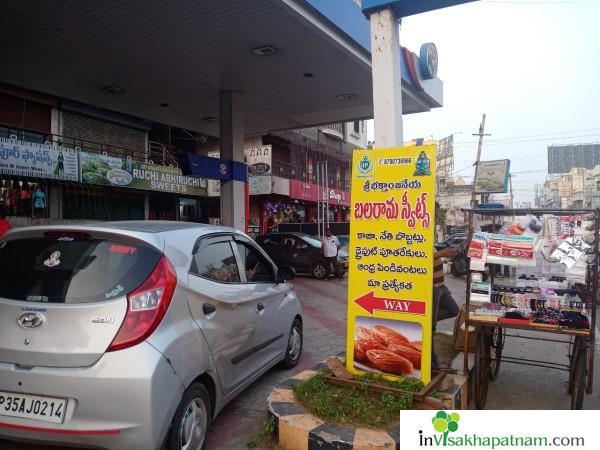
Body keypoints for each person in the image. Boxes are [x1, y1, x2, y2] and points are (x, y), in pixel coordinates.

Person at [432, 244, 460, 370]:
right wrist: (441, 253)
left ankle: (427, 320)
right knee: (430, 330)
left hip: (441, 286)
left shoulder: (428, 238)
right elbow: (418, 258)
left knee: (453, 310)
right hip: (432, 288)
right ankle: (434, 365)